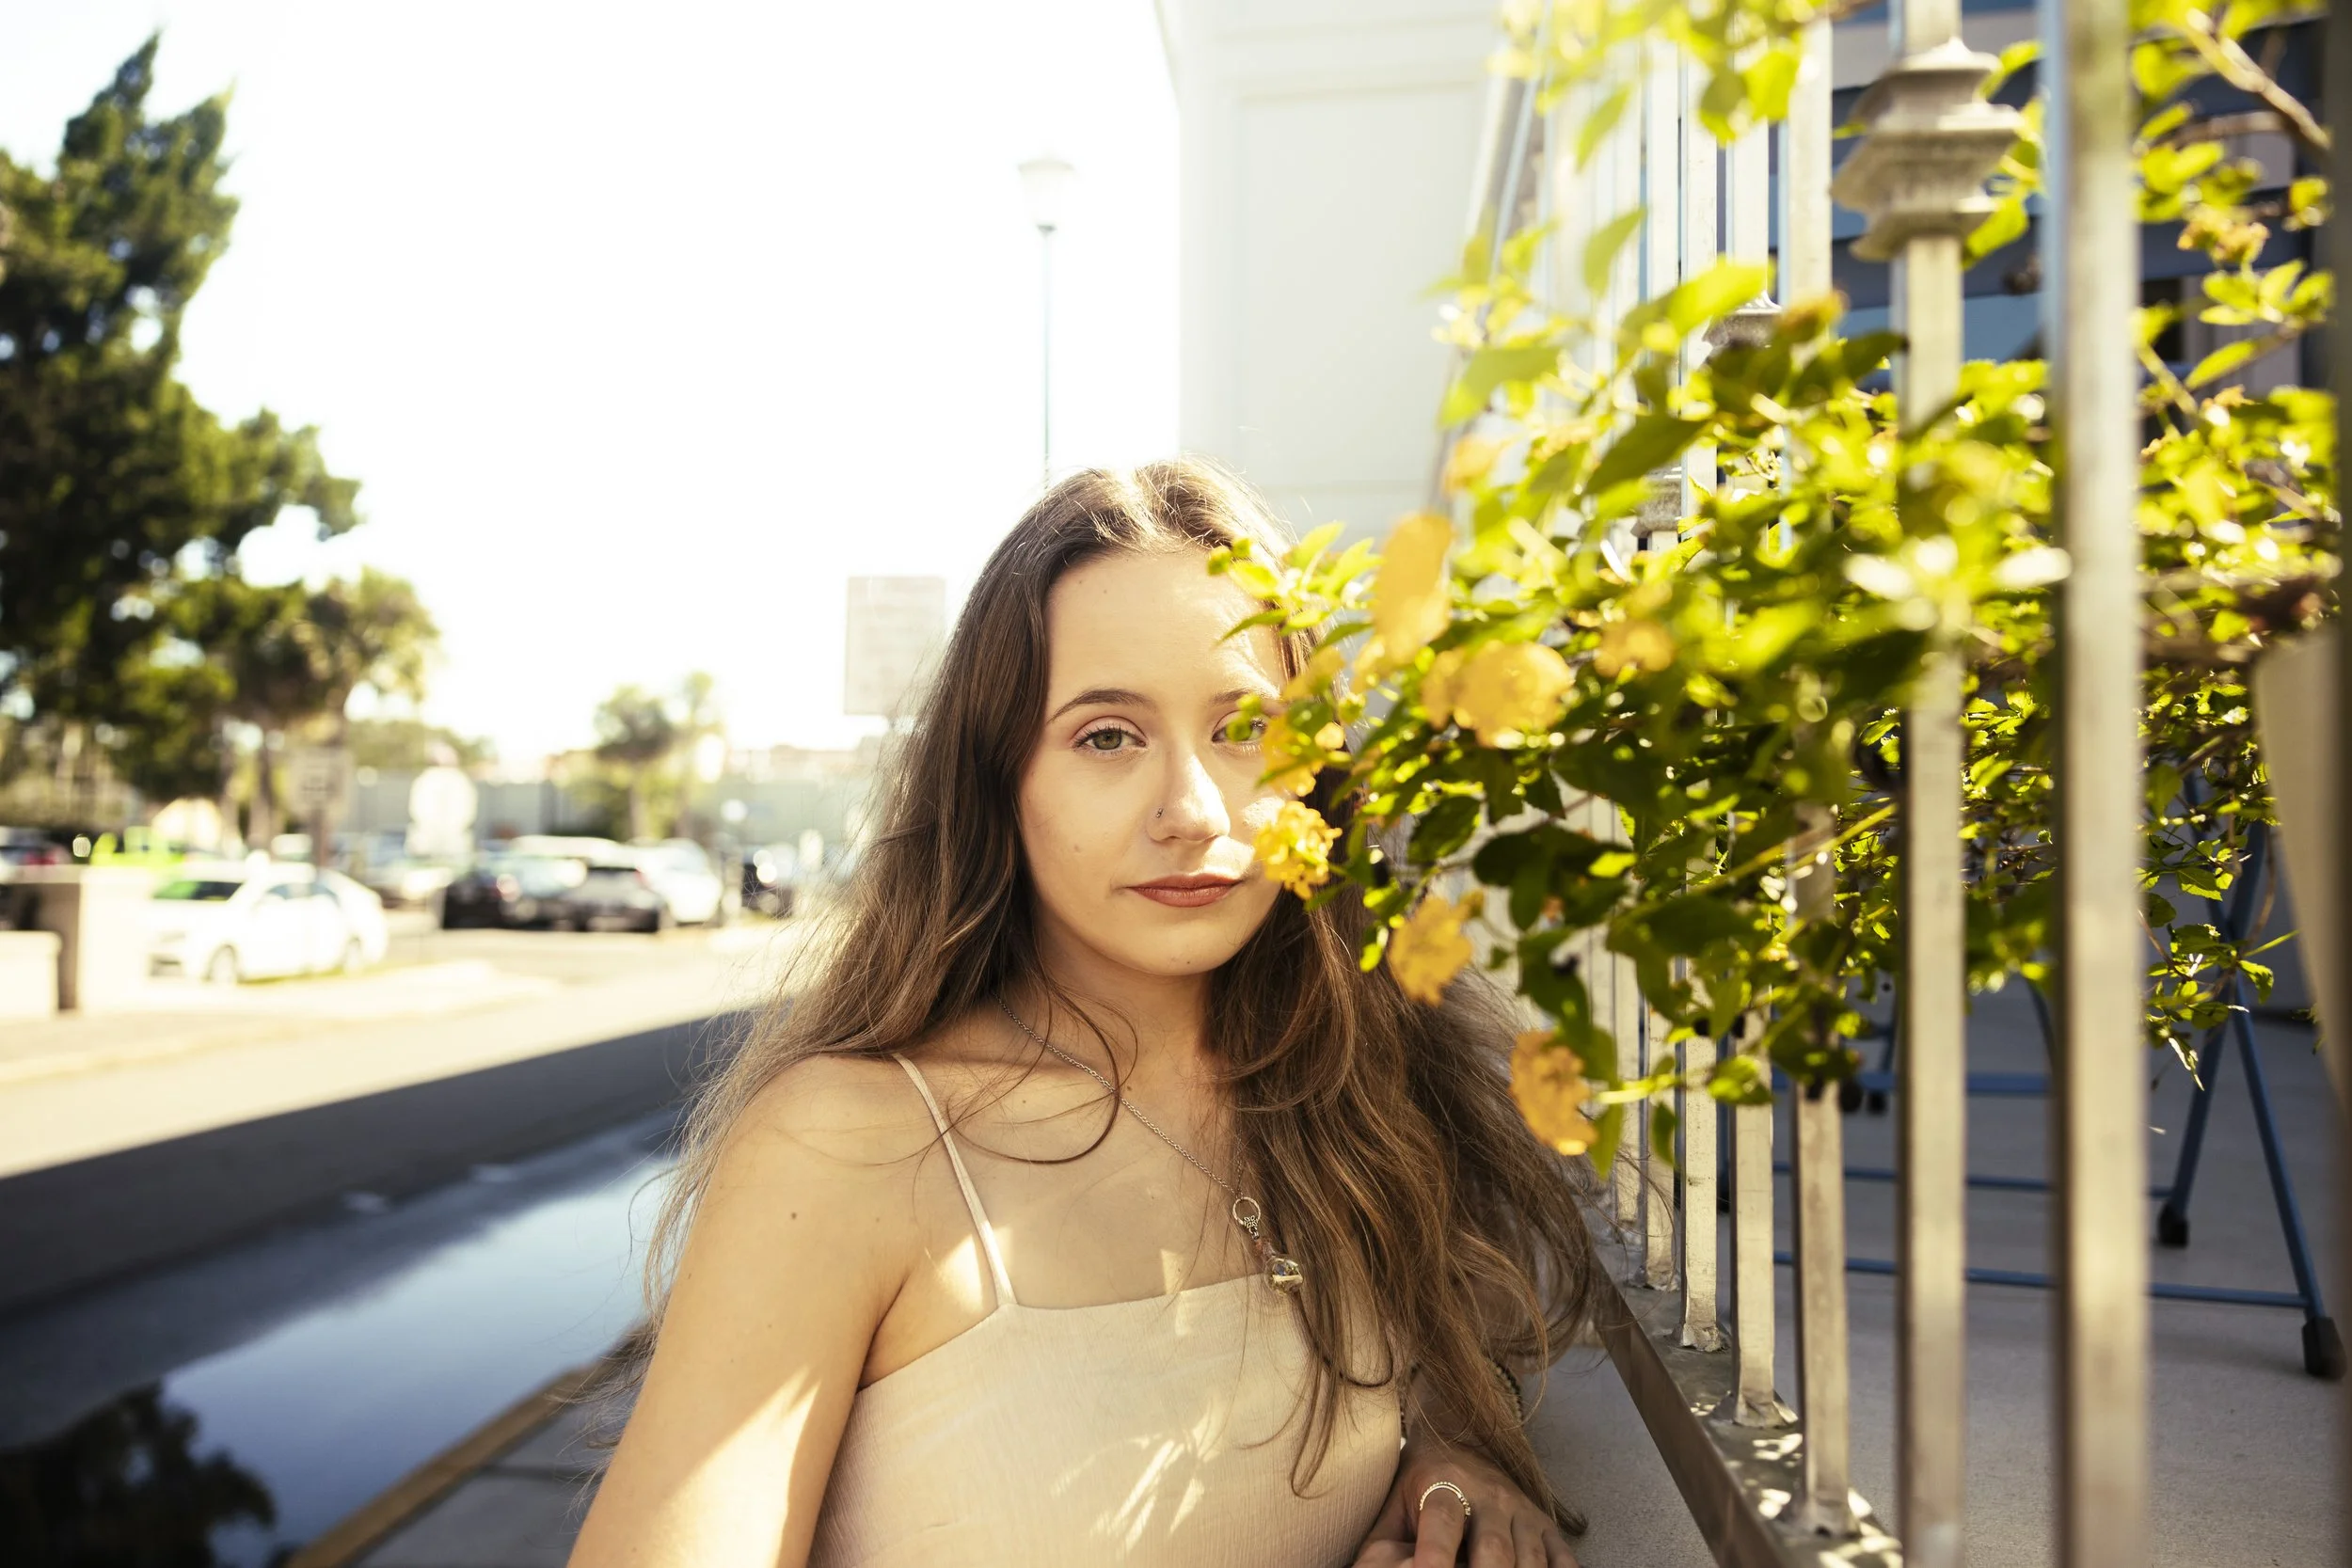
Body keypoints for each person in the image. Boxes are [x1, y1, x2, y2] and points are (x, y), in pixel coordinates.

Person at [568, 460, 1603, 1568]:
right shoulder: (848, 1143)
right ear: (998, 779)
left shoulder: (1347, 1090)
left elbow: (1416, 1372)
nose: (1192, 810)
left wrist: (1449, 1461)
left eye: (1245, 726)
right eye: (1107, 735)